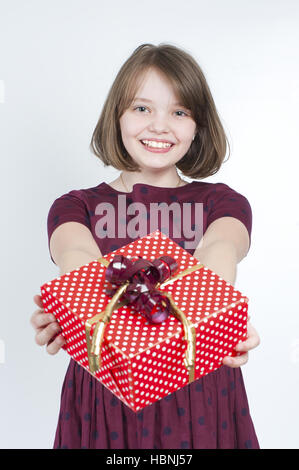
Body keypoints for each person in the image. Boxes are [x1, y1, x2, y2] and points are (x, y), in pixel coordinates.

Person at [30, 43, 260, 449]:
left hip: (199, 390)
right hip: (107, 391)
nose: (160, 126)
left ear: (197, 125)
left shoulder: (221, 202)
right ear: (116, 115)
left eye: (180, 111)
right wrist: (74, 310)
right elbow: (77, 258)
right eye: (141, 108)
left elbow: (219, 251)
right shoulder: (76, 206)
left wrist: (215, 322)